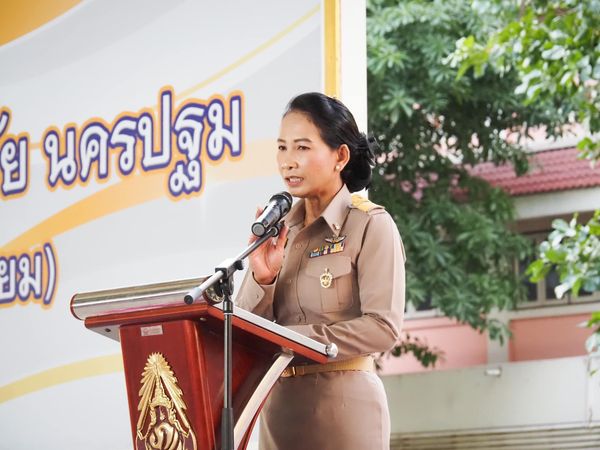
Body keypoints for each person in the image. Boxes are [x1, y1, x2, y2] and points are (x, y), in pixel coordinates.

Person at [236, 92, 405, 450]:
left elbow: (383, 327)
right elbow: (243, 330)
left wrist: (292, 339)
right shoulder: (277, 231)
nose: (288, 162)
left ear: (340, 156)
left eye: (301, 147)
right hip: (279, 411)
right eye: (281, 148)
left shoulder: (369, 225)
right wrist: (263, 278)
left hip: (345, 410)